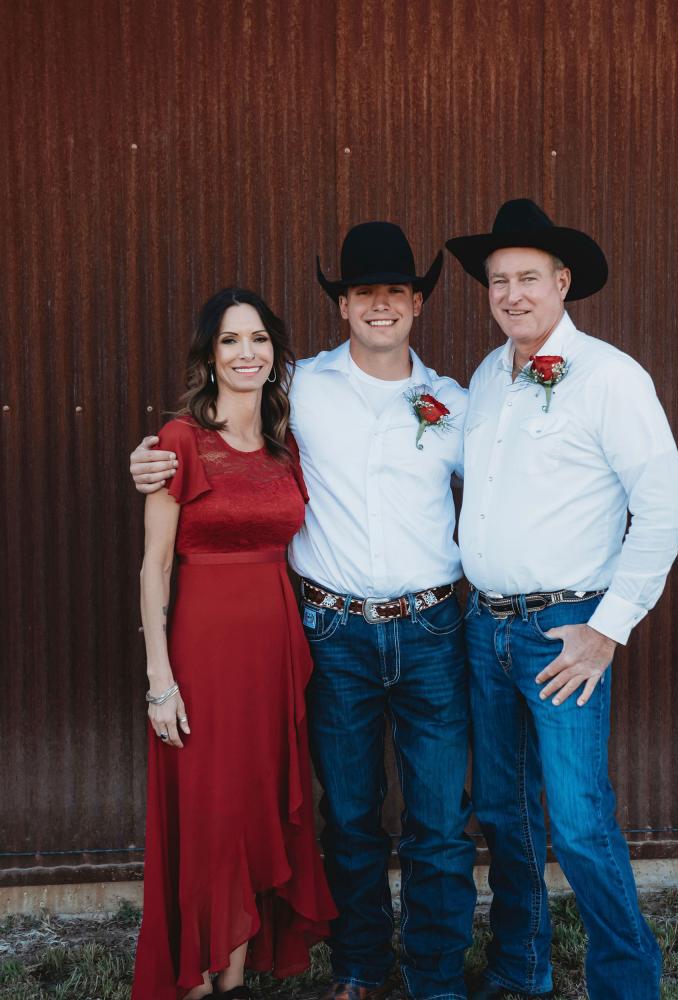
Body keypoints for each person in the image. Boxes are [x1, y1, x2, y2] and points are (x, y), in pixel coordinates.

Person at [130, 224, 477, 1000]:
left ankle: (436, 979)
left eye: (395, 292)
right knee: (348, 817)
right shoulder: (302, 386)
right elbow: (215, 419)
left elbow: (507, 486)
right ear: (342, 305)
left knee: (438, 823)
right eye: (364, 293)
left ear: (418, 303)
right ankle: (358, 969)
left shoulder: (454, 404)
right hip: (332, 631)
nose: (380, 306)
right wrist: (150, 459)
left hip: (430, 630)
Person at [446, 199, 678, 1000]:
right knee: (503, 813)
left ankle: (628, 985)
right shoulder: (488, 377)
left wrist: (605, 631)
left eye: (528, 278)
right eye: (498, 281)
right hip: (485, 627)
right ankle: (522, 968)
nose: (512, 294)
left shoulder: (610, 378)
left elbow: (666, 511)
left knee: (580, 821)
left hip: (564, 631)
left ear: (562, 283)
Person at [132, 288, 336, 1000]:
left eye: (258, 339)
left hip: (275, 648)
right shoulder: (179, 441)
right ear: (209, 356)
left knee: (254, 801)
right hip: (204, 649)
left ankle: (237, 974)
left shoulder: (285, 444)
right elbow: (154, 566)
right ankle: (193, 976)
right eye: (229, 340)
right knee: (210, 808)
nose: (246, 353)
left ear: (275, 353)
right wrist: (160, 680)